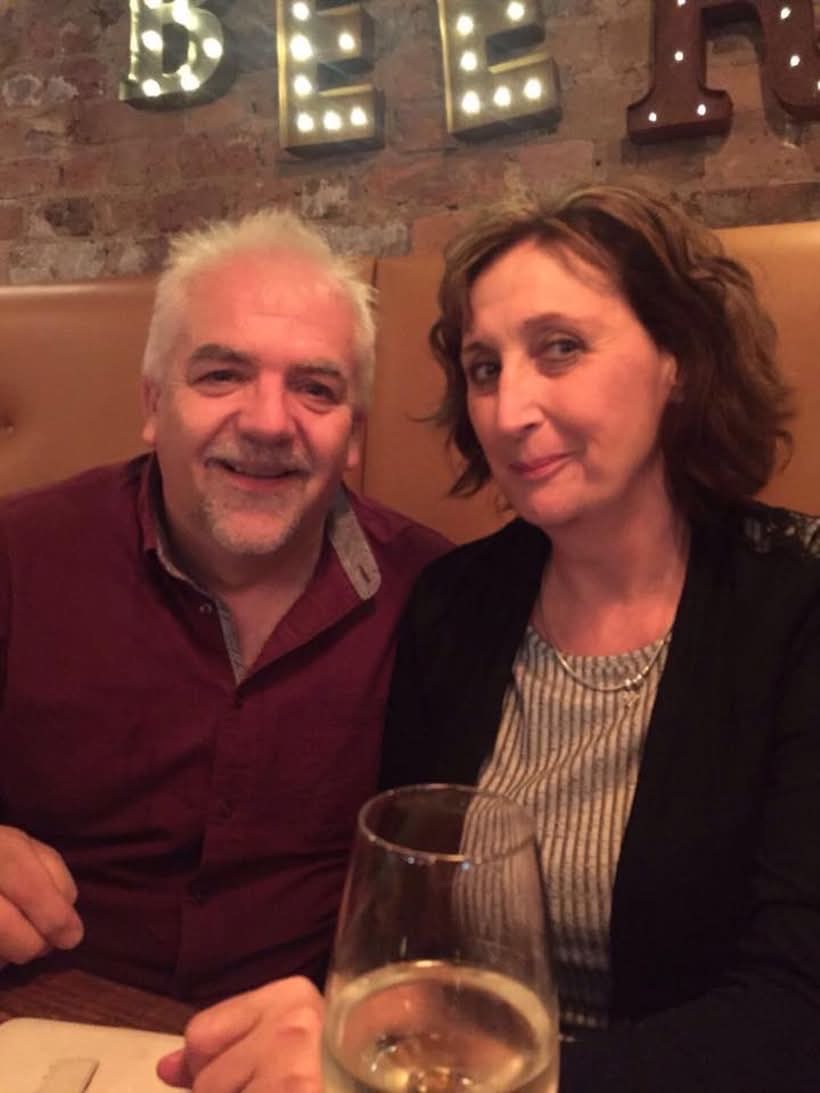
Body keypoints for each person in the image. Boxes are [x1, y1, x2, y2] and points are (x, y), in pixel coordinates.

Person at [158, 186, 820, 1092]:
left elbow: (797, 1012)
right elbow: (411, 922)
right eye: (484, 368)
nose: (510, 411)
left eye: (561, 349)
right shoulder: (454, 600)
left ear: (679, 359)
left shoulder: (795, 607)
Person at [0, 209, 449, 1004]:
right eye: (221, 375)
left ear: (353, 438)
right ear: (151, 403)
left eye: (315, 387)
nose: (269, 422)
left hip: (301, 1049)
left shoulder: (435, 594)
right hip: (42, 1018)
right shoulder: (18, 551)